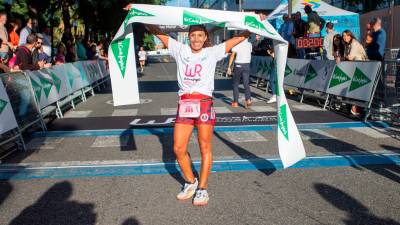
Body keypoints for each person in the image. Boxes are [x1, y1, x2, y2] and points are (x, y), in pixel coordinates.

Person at [130, 7, 262, 206]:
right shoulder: (180, 49)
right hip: (184, 104)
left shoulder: (212, 52)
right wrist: (138, 12)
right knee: (178, 148)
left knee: (204, 147)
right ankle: (191, 182)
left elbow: (237, 39)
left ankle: (203, 189)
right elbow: (157, 31)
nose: (196, 39)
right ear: (188, 37)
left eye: (200, 35)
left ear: (205, 36)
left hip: (204, 105)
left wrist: (255, 23)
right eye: (193, 35)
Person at [342, 30, 367, 116]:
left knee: (357, 88)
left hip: (361, 68)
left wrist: (345, 57)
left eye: (346, 35)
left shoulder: (354, 44)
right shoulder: (348, 45)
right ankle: (353, 107)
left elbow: (350, 57)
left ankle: (356, 108)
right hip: (355, 68)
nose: (344, 37)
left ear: (350, 36)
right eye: (343, 36)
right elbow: (347, 56)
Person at [227, 37, 252, 108]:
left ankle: (235, 102)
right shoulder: (249, 44)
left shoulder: (237, 44)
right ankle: (248, 99)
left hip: (238, 65)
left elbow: (232, 55)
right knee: (246, 83)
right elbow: (249, 52)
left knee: (235, 84)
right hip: (247, 65)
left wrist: (229, 67)